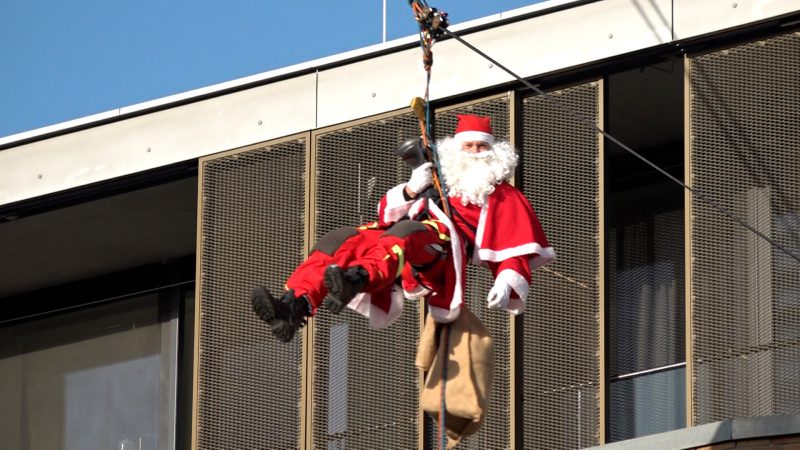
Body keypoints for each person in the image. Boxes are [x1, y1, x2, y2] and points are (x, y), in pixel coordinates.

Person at [252, 114, 554, 341]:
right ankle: (295, 305)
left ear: (493, 152)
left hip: (443, 250)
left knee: (406, 234)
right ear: (456, 149)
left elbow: (517, 243)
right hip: (407, 237)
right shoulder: (440, 178)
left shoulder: (503, 194)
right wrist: (411, 189)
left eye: (481, 146)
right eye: (468, 145)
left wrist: (505, 282)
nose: (474, 152)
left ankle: (358, 278)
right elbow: (385, 213)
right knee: (342, 239)